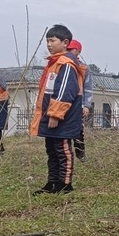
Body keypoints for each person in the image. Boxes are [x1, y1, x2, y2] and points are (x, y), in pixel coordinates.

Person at [30, 24, 84, 194]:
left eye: (53, 40)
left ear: (65, 42)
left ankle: (65, 184)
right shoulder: (53, 64)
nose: (49, 44)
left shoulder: (66, 65)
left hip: (62, 119)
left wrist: (55, 115)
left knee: (63, 151)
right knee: (52, 151)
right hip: (51, 116)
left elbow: (64, 92)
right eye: (47, 41)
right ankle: (52, 182)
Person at [65, 39, 92, 161]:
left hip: (78, 103)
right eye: (67, 49)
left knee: (78, 130)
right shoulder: (62, 64)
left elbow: (88, 87)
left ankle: (80, 153)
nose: (69, 52)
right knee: (63, 130)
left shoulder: (83, 68)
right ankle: (66, 154)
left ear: (78, 51)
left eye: (71, 49)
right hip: (63, 102)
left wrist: (86, 105)